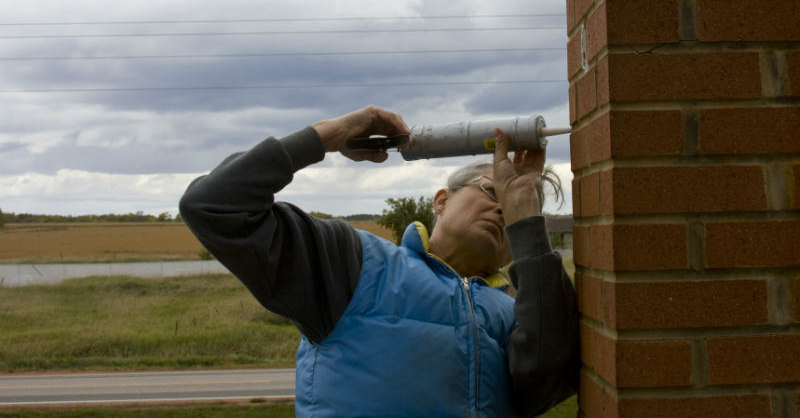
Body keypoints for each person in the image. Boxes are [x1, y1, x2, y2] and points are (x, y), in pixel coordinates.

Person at [179, 105, 579, 418]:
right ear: (442, 200)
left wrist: (528, 219)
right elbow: (215, 206)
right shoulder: (355, 264)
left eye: (513, 210)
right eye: (493, 192)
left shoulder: (516, 315)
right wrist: (325, 136)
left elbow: (548, 380)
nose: (501, 212)